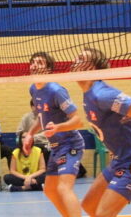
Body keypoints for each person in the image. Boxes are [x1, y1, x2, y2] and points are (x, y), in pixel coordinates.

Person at [72, 48, 131, 217]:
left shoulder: (102, 94)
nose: (75, 60)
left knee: (103, 214)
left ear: (92, 68)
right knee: (89, 205)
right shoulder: (89, 94)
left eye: (81, 58)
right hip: (120, 160)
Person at [22, 52, 84, 216]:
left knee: (64, 188)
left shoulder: (56, 90)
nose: (35, 65)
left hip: (71, 144)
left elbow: (78, 121)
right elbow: (41, 117)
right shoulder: (33, 89)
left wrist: (58, 127)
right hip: (56, 147)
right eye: (33, 62)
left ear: (49, 69)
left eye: (40, 63)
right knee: (50, 190)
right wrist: (30, 134)